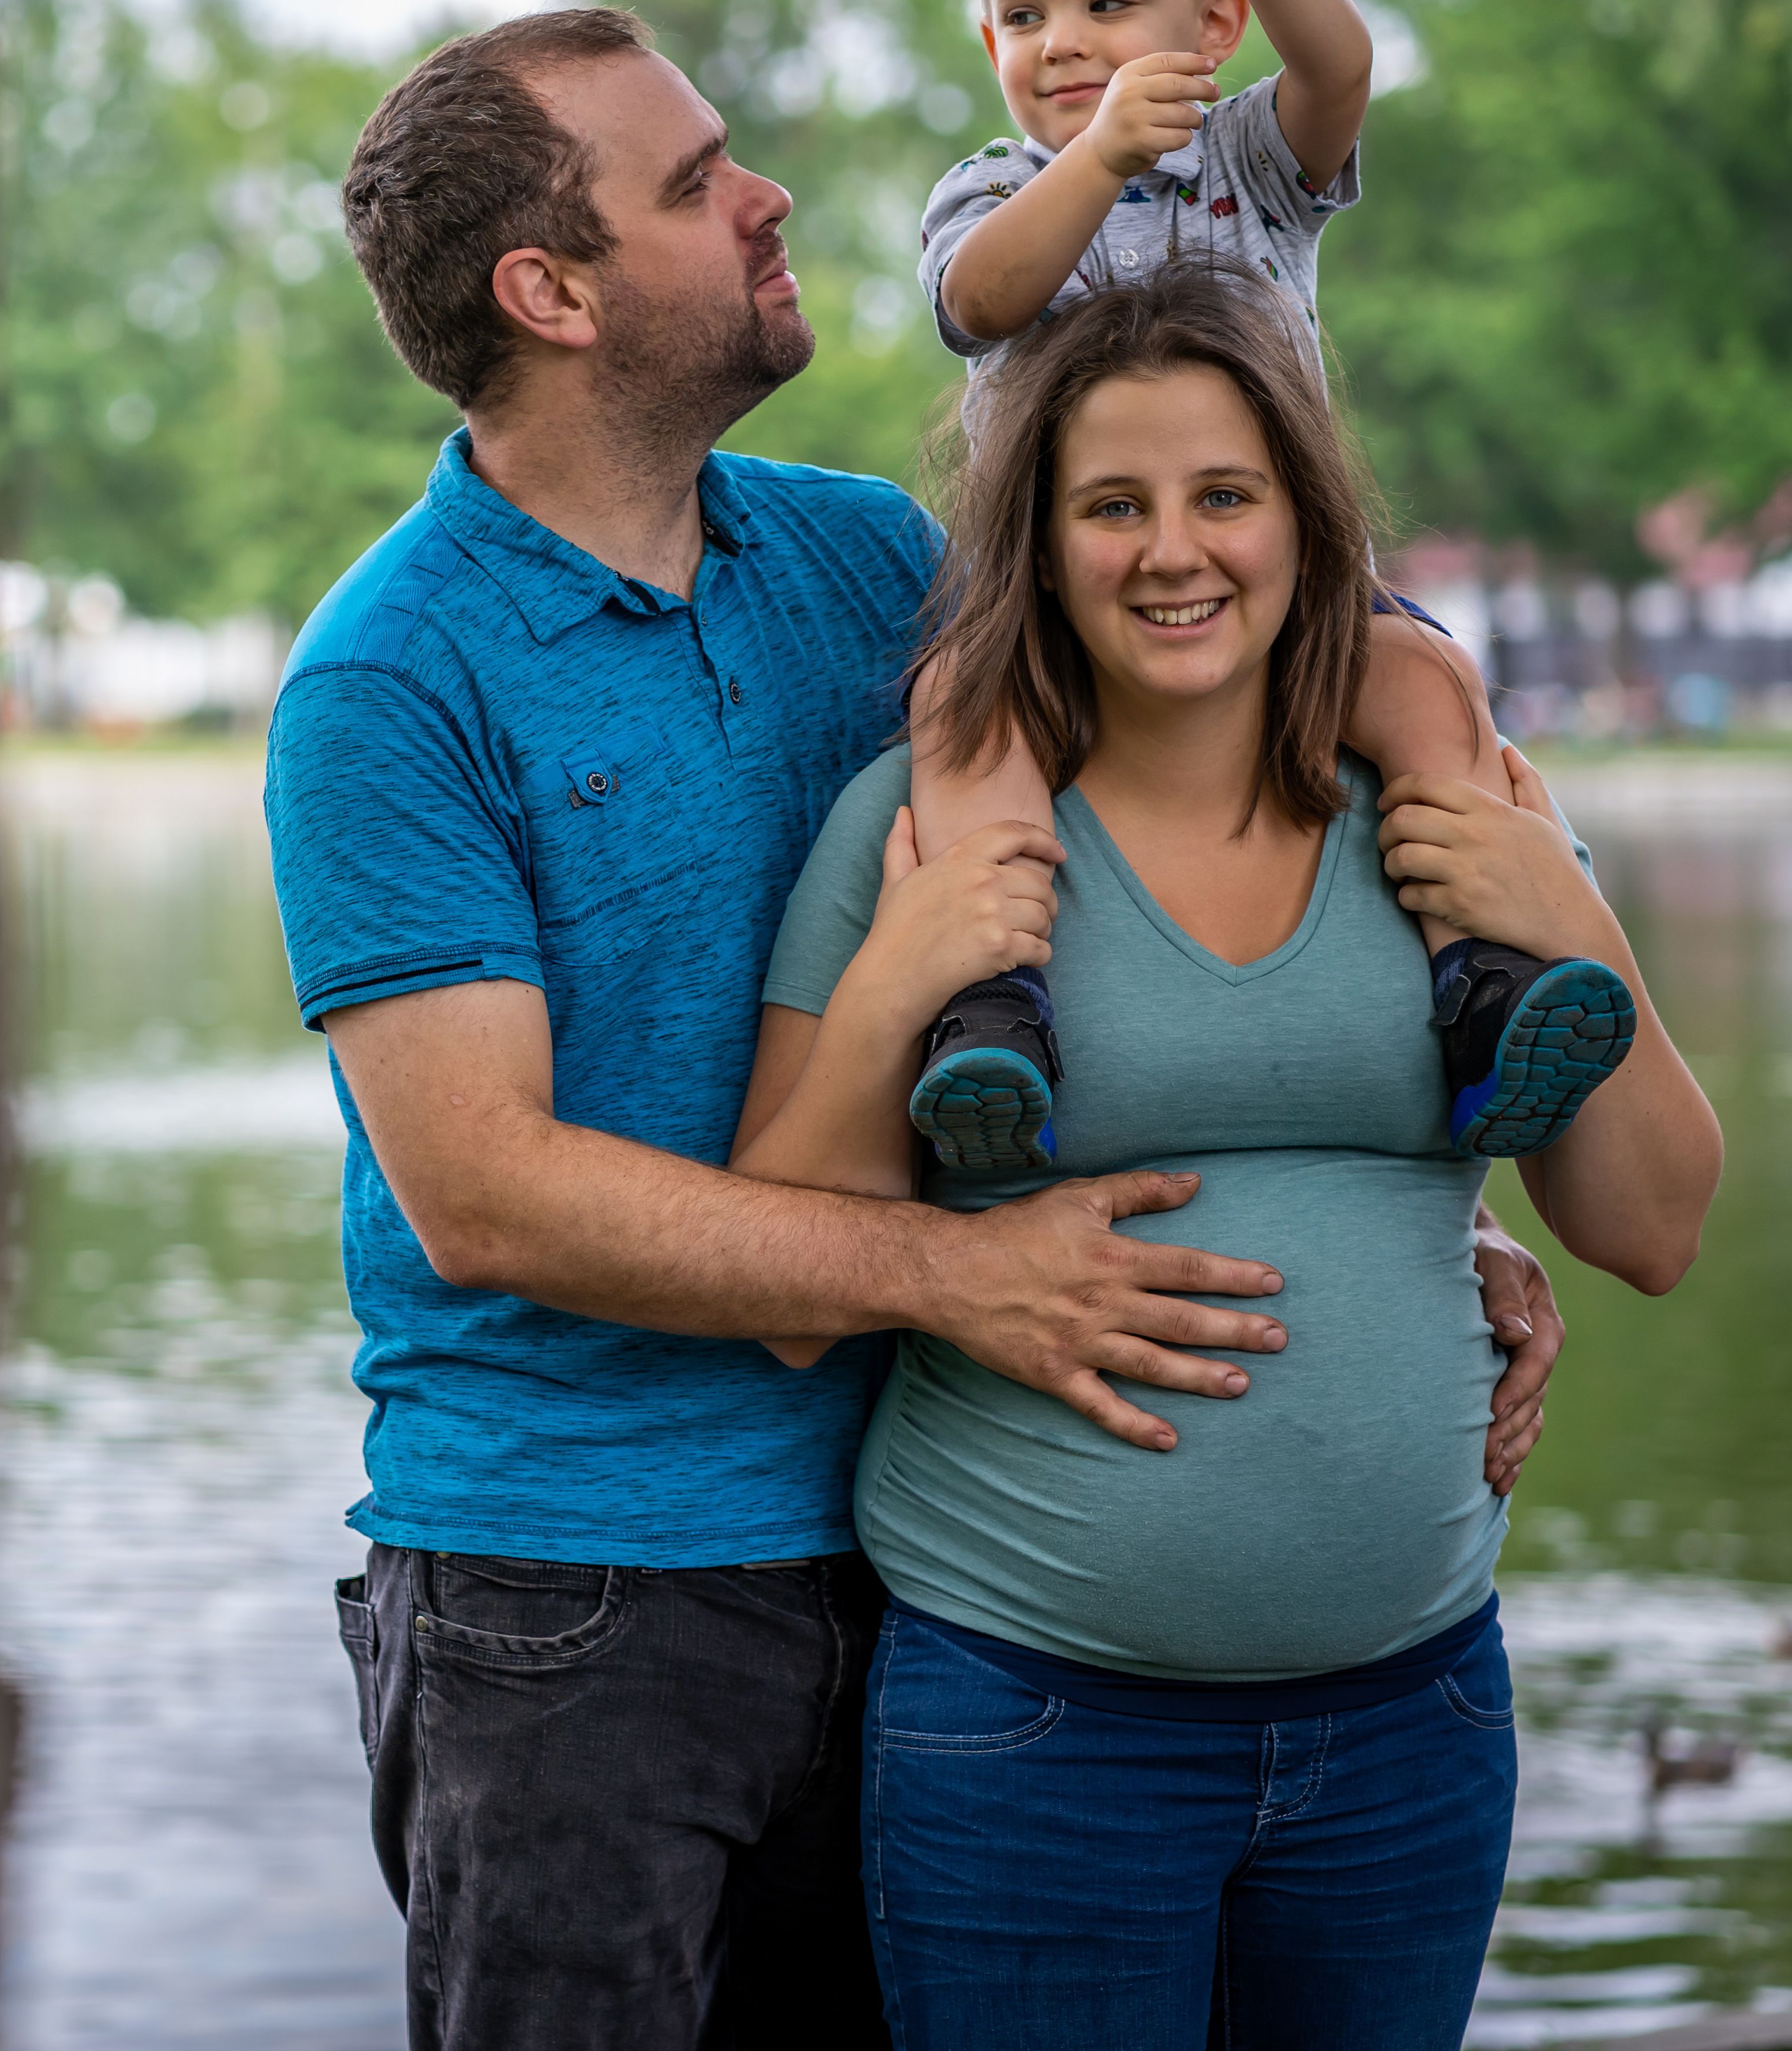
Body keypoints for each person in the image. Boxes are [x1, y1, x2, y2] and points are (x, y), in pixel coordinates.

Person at [271, 7, 1567, 2050]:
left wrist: (1403, 1239)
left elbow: (1173, 840)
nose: (768, 194)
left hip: (923, 1559)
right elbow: (487, 1195)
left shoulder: (862, 563)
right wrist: (950, 1272)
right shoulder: (390, 680)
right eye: (698, 181)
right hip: (574, 1597)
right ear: (554, 292)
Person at [736, 263, 1723, 2049]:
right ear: (1039, 546)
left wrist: (1567, 914)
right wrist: (897, 982)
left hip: (1411, 1729)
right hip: (1033, 1732)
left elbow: (1651, 1226)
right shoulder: (915, 824)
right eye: (1112, 505)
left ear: (1307, 522)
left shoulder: (1467, 815)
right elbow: (793, 1303)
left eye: (1224, 497)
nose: (1172, 553)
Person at [897, 0, 1634, 1174]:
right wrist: (1099, 158)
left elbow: (1343, 62)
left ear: (1213, 23)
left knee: (1422, 685)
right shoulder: (995, 187)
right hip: (1049, 605)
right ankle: (991, 1008)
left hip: (1280, 600)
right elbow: (981, 299)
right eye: (1023, 15)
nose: (1062, 42)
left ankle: (1481, 984)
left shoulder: (1250, 166)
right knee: (959, 712)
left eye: (1110, 4)